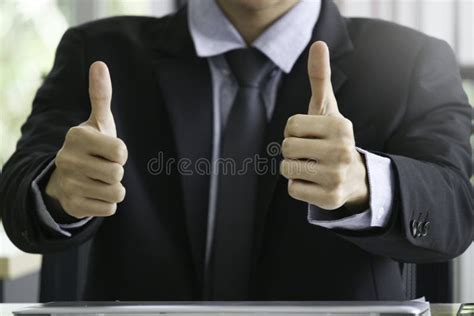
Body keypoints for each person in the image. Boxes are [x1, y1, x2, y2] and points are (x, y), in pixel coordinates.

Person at [0, 0, 472, 301]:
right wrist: (57, 191)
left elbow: (455, 208)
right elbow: (20, 196)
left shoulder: (411, 59)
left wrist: (365, 183)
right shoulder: (97, 52)